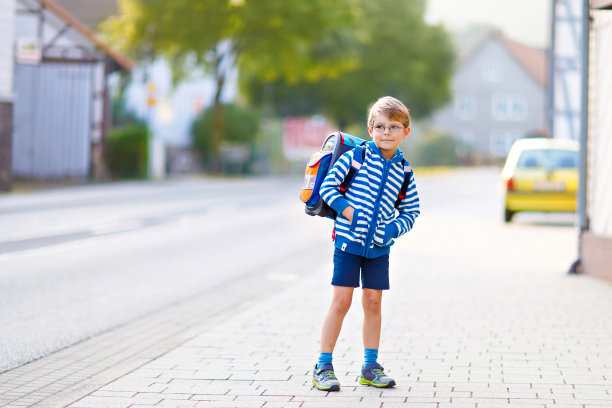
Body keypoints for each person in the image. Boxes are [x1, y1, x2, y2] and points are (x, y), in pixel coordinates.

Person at [312, 96, 420, 391]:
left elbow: (411, 211)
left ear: (405, 132)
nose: (387, 132)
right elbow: (328, 188)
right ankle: (323, 365)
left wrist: (392, 229)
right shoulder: (356, 157)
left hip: (379, 249)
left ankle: (370, 367)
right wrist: (350, 213)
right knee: (342, 301)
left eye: (394, 127)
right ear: (370, 129)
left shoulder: (404, 171)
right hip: (348, 243)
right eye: (381, 126)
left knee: (373, 302)